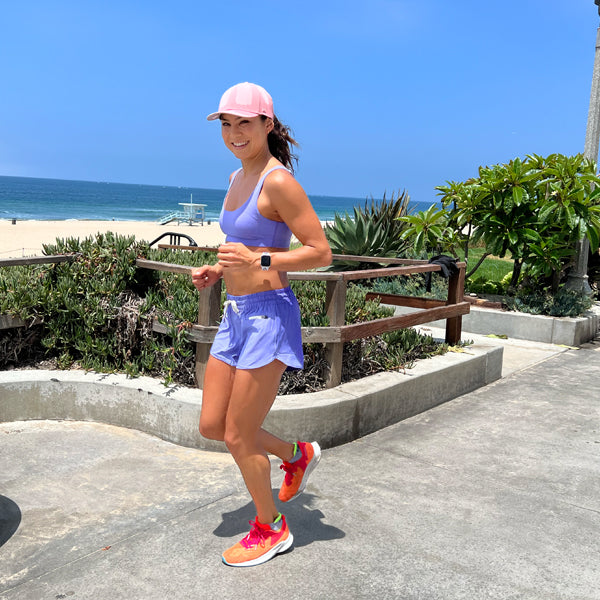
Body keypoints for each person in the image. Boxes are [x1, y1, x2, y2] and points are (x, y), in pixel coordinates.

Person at [191, 82, 332, 567]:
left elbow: (320, 252)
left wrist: (261, 257)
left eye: (244, 123)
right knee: (214, 425)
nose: (233, 133)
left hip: (270, 315)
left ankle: (271, 527)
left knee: (238, 434)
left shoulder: (278, 182)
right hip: (234, 315)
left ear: (267, 125)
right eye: (226, 124)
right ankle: (295, 454)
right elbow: (242, 252)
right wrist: (219, 270)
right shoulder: (236, 177)